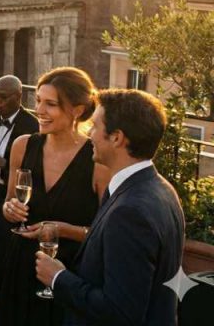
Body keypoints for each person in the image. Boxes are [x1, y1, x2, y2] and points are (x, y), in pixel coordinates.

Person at [36, 89, 185, 325]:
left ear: (116, 137)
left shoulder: (130, 212)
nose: (89, 133)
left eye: (94, 126)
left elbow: (119, 312)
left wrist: (58, 277)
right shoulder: (161, 188)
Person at [0, 67, 111, 326]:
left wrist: (64, 230)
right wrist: (9, 209)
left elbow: (104, 233)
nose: (40, 110)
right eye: (37, 100)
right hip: (20, 267)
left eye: (51, 104)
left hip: (68, 274)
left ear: (77, 110)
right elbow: (8, 202)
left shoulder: (97, 161)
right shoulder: (23, 145)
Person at [0, 75, 39, 305]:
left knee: (4, 224)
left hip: (13, 189)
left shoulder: (32, 126)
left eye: (2, 97)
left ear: (17, 97)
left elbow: (31, 170)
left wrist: (1, 163)